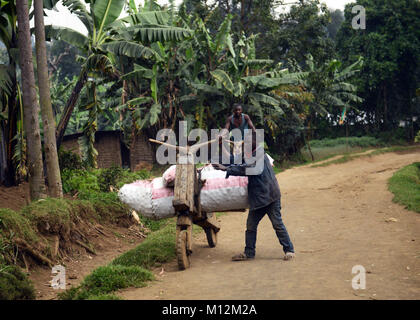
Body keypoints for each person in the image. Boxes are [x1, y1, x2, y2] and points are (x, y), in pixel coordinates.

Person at [212, 132, 295, 261]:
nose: (246, 145)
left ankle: (289, 250)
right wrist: (221, 147)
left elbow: (247, 168)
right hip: (258, 199)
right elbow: (235, 160)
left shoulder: (260, 155)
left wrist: (226, 169)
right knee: (251, 226)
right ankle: (249, 253)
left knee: (277, 224)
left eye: (248, 142)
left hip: (270, 197)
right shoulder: (250, 154)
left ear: (255, 143)